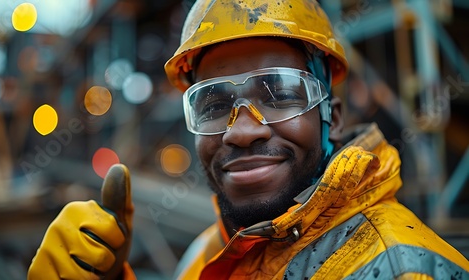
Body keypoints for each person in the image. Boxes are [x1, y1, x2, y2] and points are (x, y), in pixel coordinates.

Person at [28, 0, 469, 279]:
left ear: (331, 119)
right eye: (215, 104)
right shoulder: (211, 251)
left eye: (279, 94)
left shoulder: (401, 269)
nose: (241, 131)